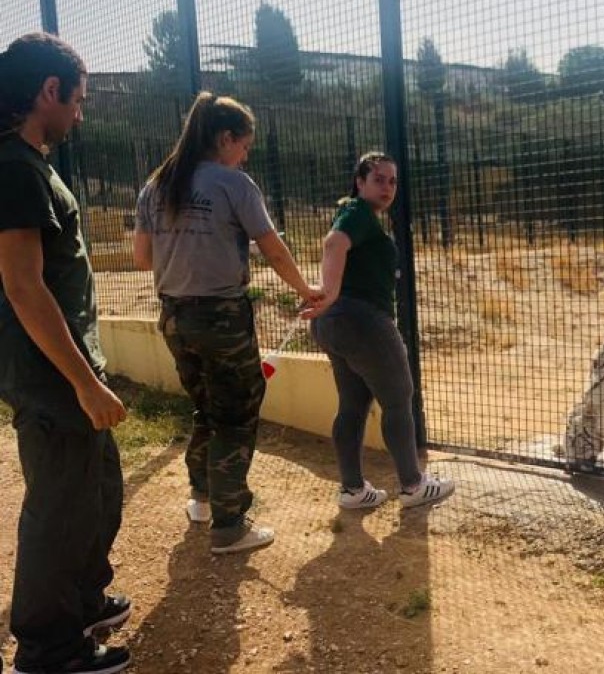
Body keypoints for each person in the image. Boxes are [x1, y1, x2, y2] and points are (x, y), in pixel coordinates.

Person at [132, 92, 320, 555]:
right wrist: (305, 289)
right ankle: (229, 524)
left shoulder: (156, 184)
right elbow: (273, 250)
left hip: (174, 316)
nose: (245, 156)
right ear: (224, 138)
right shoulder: (234, 184)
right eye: (244, 146)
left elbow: (142, 258)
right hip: (221, 317)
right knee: (236, 415)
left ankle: (202, 498)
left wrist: (193, 245)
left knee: (206, 408)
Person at [0, 33, 131, 674]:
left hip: (64, 368)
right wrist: (83, 382)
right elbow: (23, 286)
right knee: (59, 509)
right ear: (48, 91)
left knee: (98, 491)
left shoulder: (29, 164)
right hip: (50, 375)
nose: (79, 115)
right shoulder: (13, 168)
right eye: (77, 101)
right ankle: (48, 649)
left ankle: (82, 602)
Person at [303, 151, 454, 509]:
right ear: (360, 182)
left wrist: (330, 297)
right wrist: (331, 291)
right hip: (364, 321)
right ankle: (413, 485)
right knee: (399, 398)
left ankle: (352, 490)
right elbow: (333, 243)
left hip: (335, 323)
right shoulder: (357, 212)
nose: (387, 187)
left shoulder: (356, 215)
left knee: (352, 405)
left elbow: (339, 249)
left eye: (393, 181)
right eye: (378, 179)